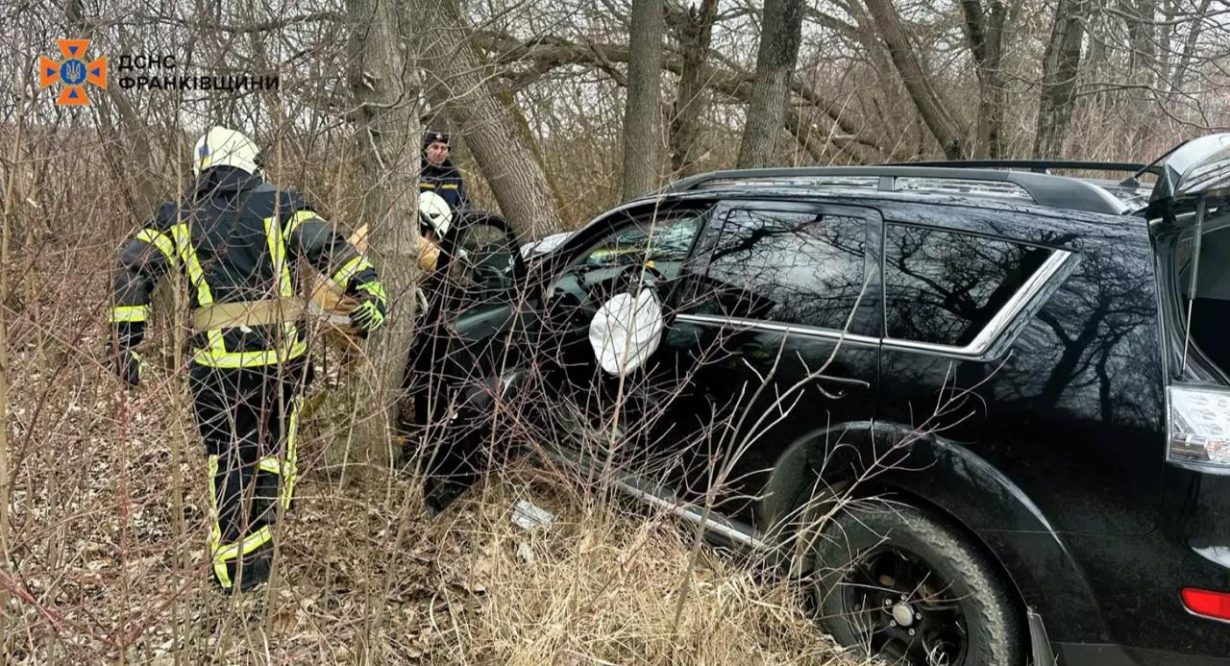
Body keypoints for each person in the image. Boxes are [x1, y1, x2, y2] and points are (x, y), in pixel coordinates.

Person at [106, 126, 388, 593]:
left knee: (230, 460)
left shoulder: (178, 216)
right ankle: (262, 543)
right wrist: (370, 289)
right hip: (283, 364)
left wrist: (125, 345)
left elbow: (133, 270)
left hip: (216, 372)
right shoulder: (281, 203)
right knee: (275, 450)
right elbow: (328, 246)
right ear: (248, 163)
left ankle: (237, 574)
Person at [420, 130, 469, 210]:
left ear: (448, 153)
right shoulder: (418, 172)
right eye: (435, 147)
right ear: (426, 150)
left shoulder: (454, 176)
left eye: (443, 148)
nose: (439, 152)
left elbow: (464, 204)